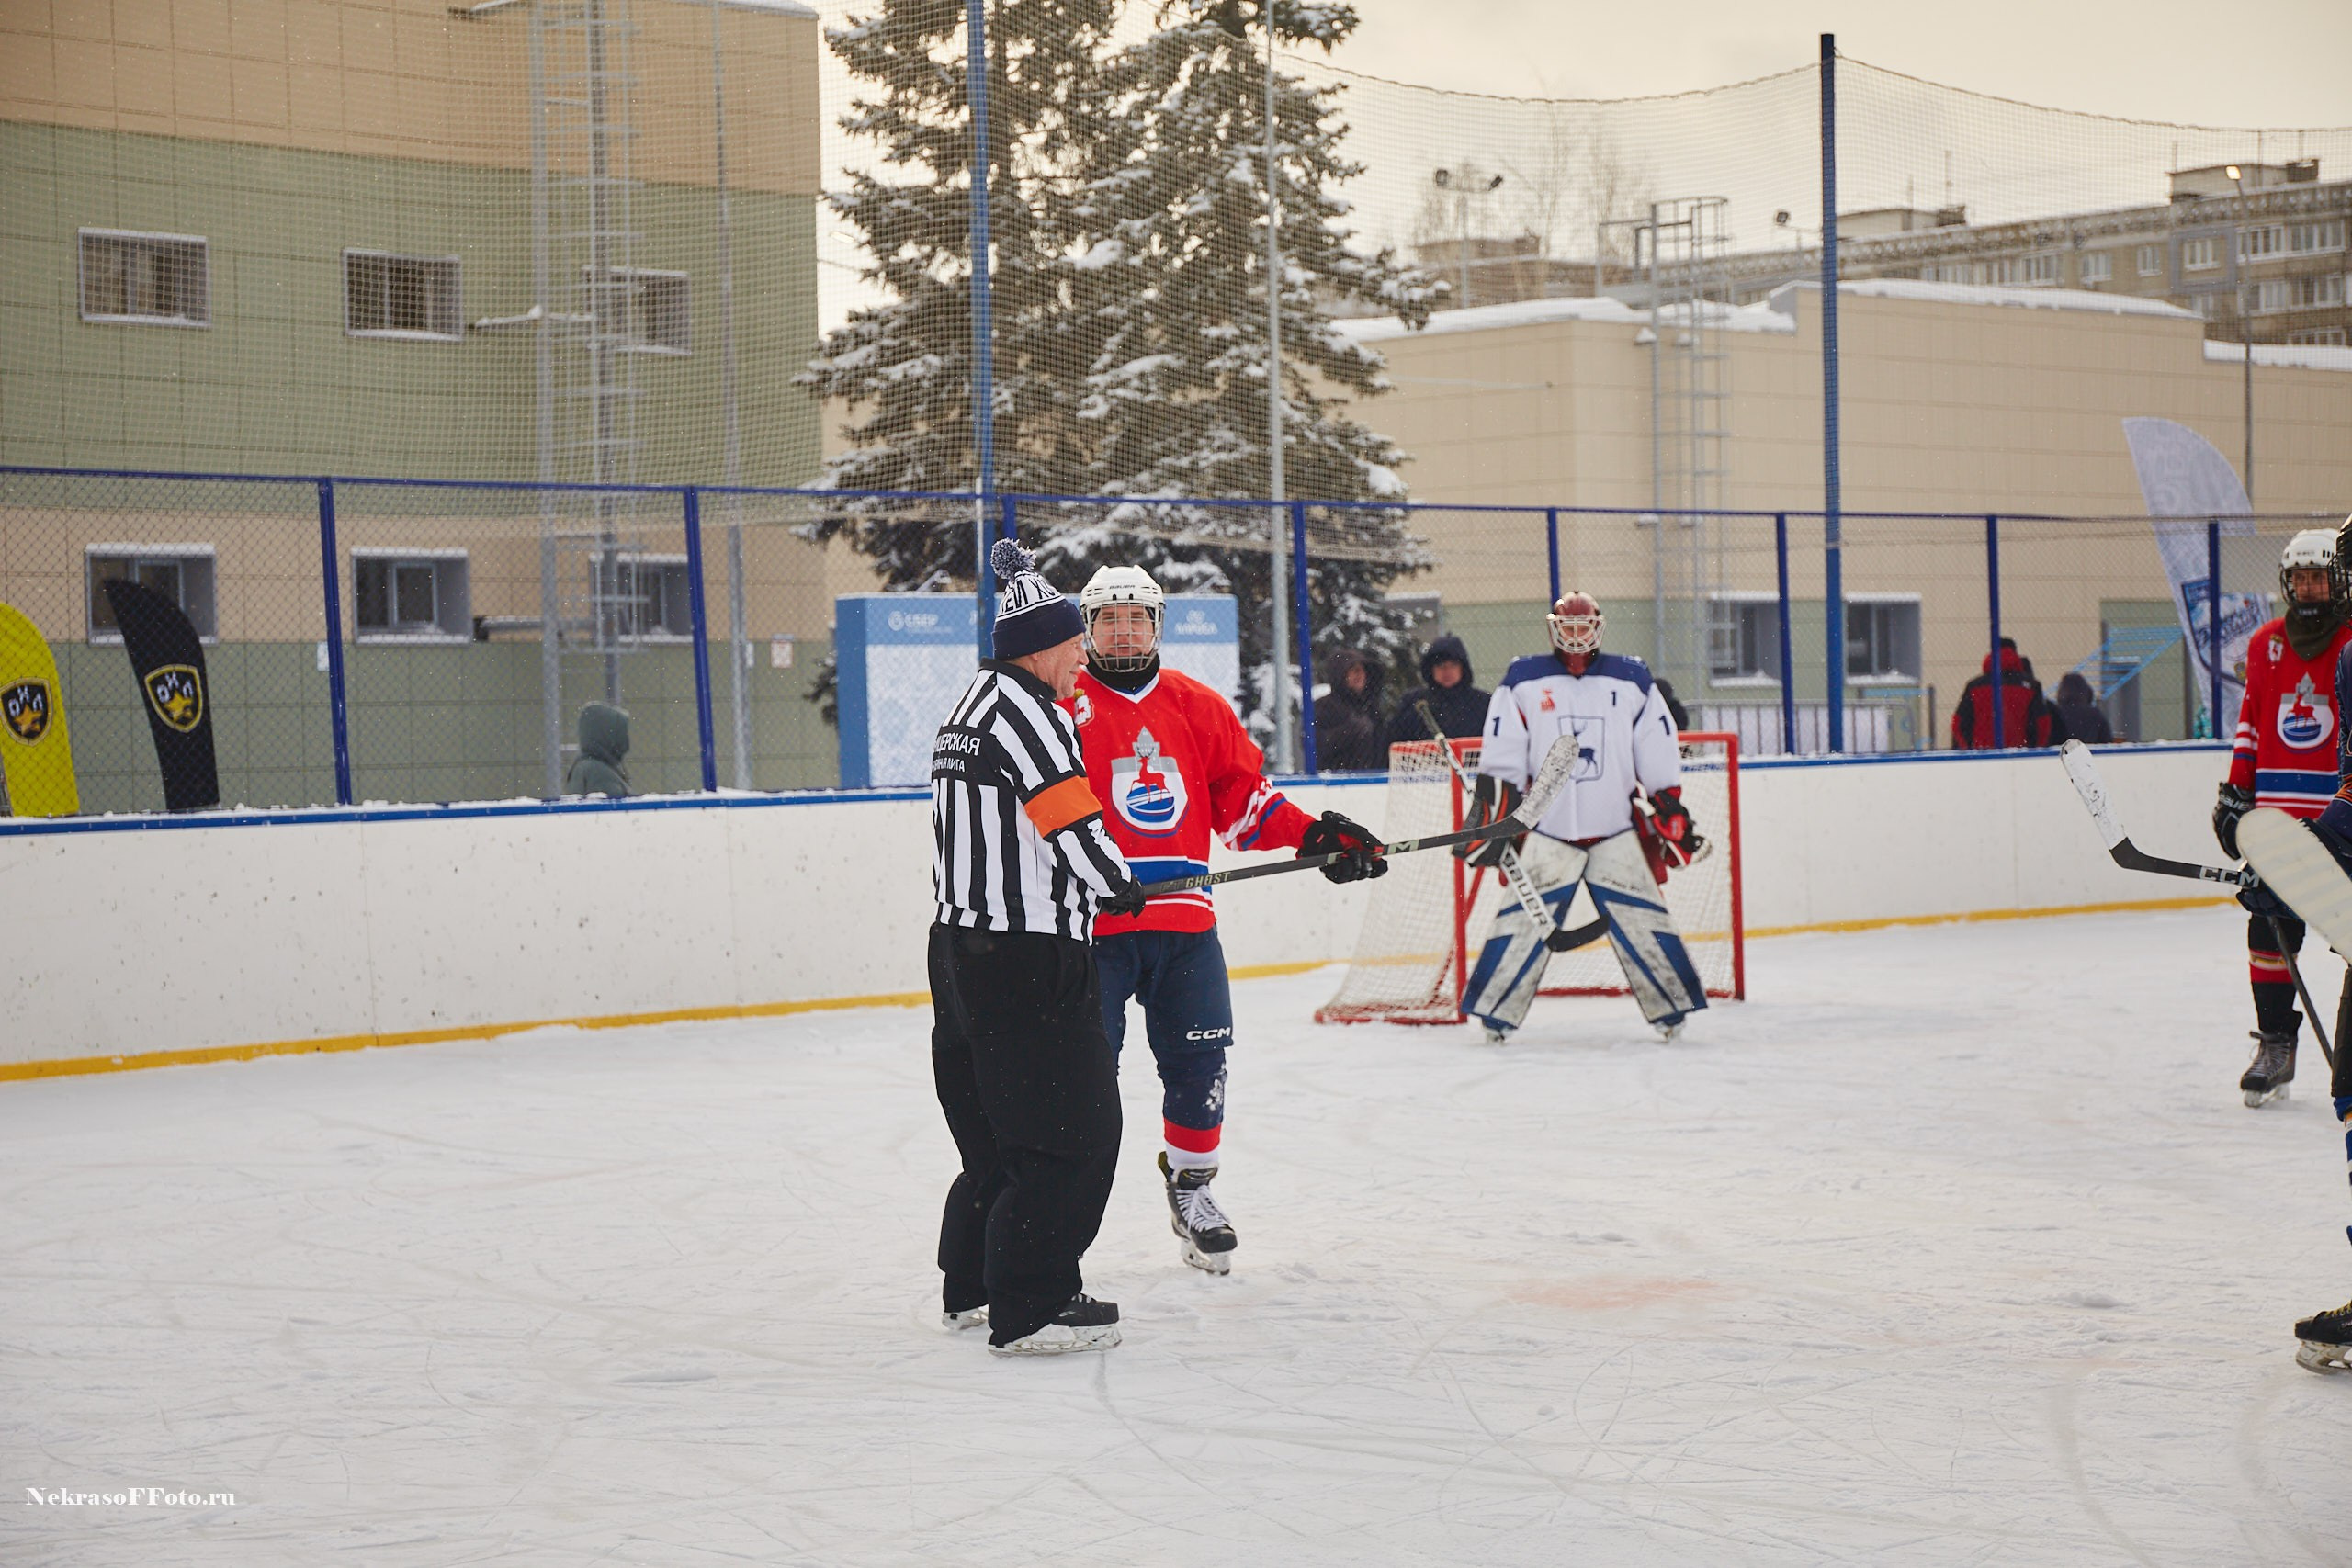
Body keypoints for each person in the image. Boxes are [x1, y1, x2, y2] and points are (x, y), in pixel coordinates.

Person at [1069, 564, 1385, 1274]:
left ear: (1157, 625)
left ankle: (1193, 1192)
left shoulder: (1195, 704)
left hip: (1184, 924)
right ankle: (1063, 1220)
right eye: (1108, 619)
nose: (1123, 630)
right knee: (1083, 1077)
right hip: (1094, 927)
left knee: (1200, 1065)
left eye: (1136, 618)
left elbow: (1244, 802)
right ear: (1086, 629)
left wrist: (1316, 835)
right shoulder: (1063, 706)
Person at [926, 537, 1148, 1357]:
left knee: (992, 1130)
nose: (1082, 658)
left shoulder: (970, 706)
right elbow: (1071, 826)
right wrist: (1118, 883)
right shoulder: (1033, 716)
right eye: (1073, 643)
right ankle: (1035, 1301)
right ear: (1041, 645)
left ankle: (975, 1282)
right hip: (1026, 956)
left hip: (958, 950)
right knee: (1074, 1130)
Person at [1458, 591, 1707, 1043]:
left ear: (1598, 628)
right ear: (1554, 628)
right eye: (1567, 627)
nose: (1575, 636)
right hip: (1547, 831)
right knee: (1520, 921)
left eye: (1582, 627)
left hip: (1614, 827)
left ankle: (1672, 1010)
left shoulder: (1631, 679)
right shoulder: (1523, 680)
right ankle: (1495, 1015)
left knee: (1644, 918)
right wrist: (1494, 815)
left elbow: (1656, 742)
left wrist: (1667, 799)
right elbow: (1504, 750)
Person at [2212, 527, 2352, 1109]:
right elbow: (2252, 721)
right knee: (2268, 931)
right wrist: (2236, 793)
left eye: (2318, 576)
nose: (2308, 587)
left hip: (2337, 820)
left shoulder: (2350, 643)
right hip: (2275, 820)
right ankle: (2276, 1044)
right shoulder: (2266, 643)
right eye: (2299, 578)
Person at [1382, 633, 1491, 751]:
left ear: (1462, 668)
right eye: (1440, 665)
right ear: (1431, 669)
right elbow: (1395, 739)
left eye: (1453, 665)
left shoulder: (1482, 703)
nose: (1447, 671)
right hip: (1423, 767)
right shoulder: (1414, 702)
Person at [1950, 639, 2067, 749]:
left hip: (1983, 755)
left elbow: (1958, 724)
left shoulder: (1974, 686)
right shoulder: (2031, 686)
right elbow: (2042, 725)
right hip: (2019, 755)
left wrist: (1970, 750)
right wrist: (2034, 749)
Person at [1312, 649, 1386, 771]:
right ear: (1339, 674)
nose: (1360, 673)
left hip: (1375, 780)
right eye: (1352, 669)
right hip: (1336, 781)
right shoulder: (1323, 707)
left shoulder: (1372, 709)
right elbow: (1314, 746)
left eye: (1363, 669)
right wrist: (1350, 731)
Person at [564, 704, 630, 797]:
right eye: (621, 733)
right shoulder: (598, 772)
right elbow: (610, 809)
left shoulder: (591, 766)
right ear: (607, 734)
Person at [2052, 671, 2113, 744]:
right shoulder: (2095, 715)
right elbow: (2106, 740)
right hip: (2090, 753)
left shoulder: (2055, 714)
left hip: (2059, 753)